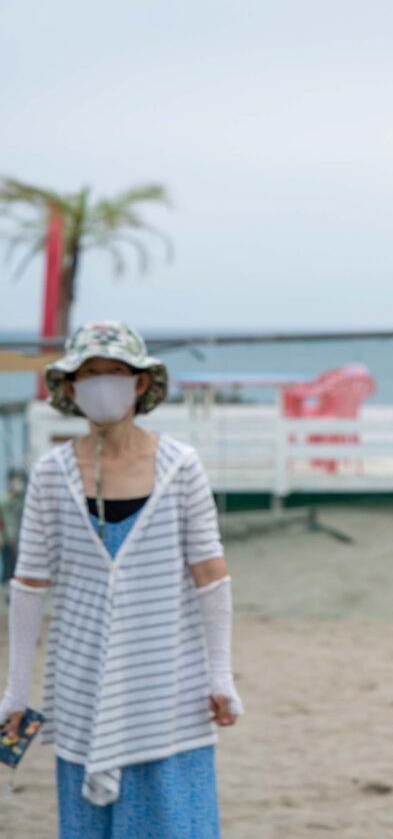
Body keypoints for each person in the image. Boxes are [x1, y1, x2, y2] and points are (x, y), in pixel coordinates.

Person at [2, 321, 242, 838]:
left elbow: (210, 574)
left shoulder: (182, 467)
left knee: (176, 822)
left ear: (140, 383)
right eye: (90, 373)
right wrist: (15, 692)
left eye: (116, 371)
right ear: (70, 388)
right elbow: (29, 586)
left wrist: (220, 675)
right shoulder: (50, 474)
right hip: (81, 687)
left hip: (168, 690)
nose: (103, 384)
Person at [1, 468, 24, 585]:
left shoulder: (24, 500)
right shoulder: (4, 501)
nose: (17, 484)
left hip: (21, 540)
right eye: (14, 481)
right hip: (8, 542)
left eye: (18, 481)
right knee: (8, 569)